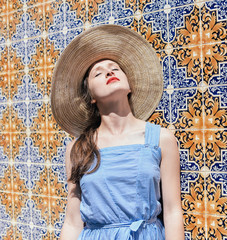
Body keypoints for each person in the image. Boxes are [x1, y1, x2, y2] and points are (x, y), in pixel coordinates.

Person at [51, 25, 184, 240]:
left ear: (130, 86)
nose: (109, 72)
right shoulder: (77, 148)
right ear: (91, 96)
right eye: (98, 73)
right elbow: (73, 220)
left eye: (115, 68)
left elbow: (172, 211)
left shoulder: (161, 139)